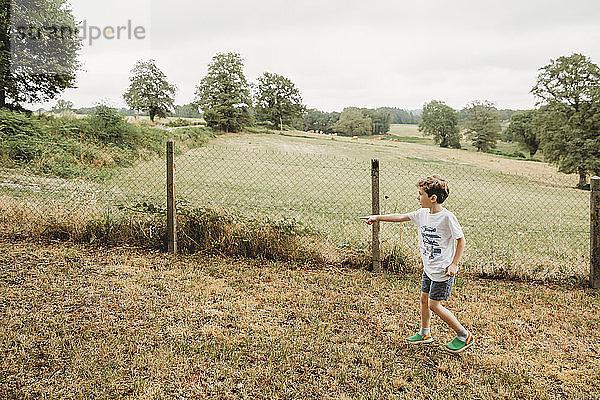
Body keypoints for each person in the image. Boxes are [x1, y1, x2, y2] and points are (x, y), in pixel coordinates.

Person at [362, 174, 473, 353]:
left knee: (434, 305)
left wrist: (454, 264)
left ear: (433, 198)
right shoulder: (422, 214)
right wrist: (377, 217)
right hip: (429, 269)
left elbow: (461, 240)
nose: (418, 197)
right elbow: (400, 217)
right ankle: (424, 333)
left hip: (443, 272)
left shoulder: (447, 218)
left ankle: (463, 334)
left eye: (420, 194)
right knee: (423, 300)